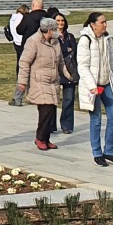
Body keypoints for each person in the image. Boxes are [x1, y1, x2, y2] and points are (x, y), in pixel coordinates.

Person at [77, 11, 113, 166]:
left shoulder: (107, 39)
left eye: (105, 22)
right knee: (96, 120)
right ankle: (97, 153)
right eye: (102, 22)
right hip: (93, 86)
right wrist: (92, 86)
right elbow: (83, 66)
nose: (105, 25)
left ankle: (109, 151)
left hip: (106, 84)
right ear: (93, 25)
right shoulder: (85, 40)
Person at [18, 17, 71, 151]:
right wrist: (22, 82)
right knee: (45, 110)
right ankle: (40, 138)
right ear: (48, 30)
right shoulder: (33, 41)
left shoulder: (55, 42)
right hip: (39, 81)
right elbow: (24, 62)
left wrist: (69, 75)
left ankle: (46, 139)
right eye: (54, 29)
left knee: (51, 110)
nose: (56, 31)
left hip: (53, 82)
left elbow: (60, 63)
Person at [55, 13, 78, 135]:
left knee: (69, 99)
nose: (60, 23)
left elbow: (74, 50)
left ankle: (67, 125)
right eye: (58, 20)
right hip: (55, 71)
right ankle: (50, 124)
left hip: (70, 70)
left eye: (62, 20)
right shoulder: (52, 37)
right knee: (51, 100)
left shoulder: (70, 36)